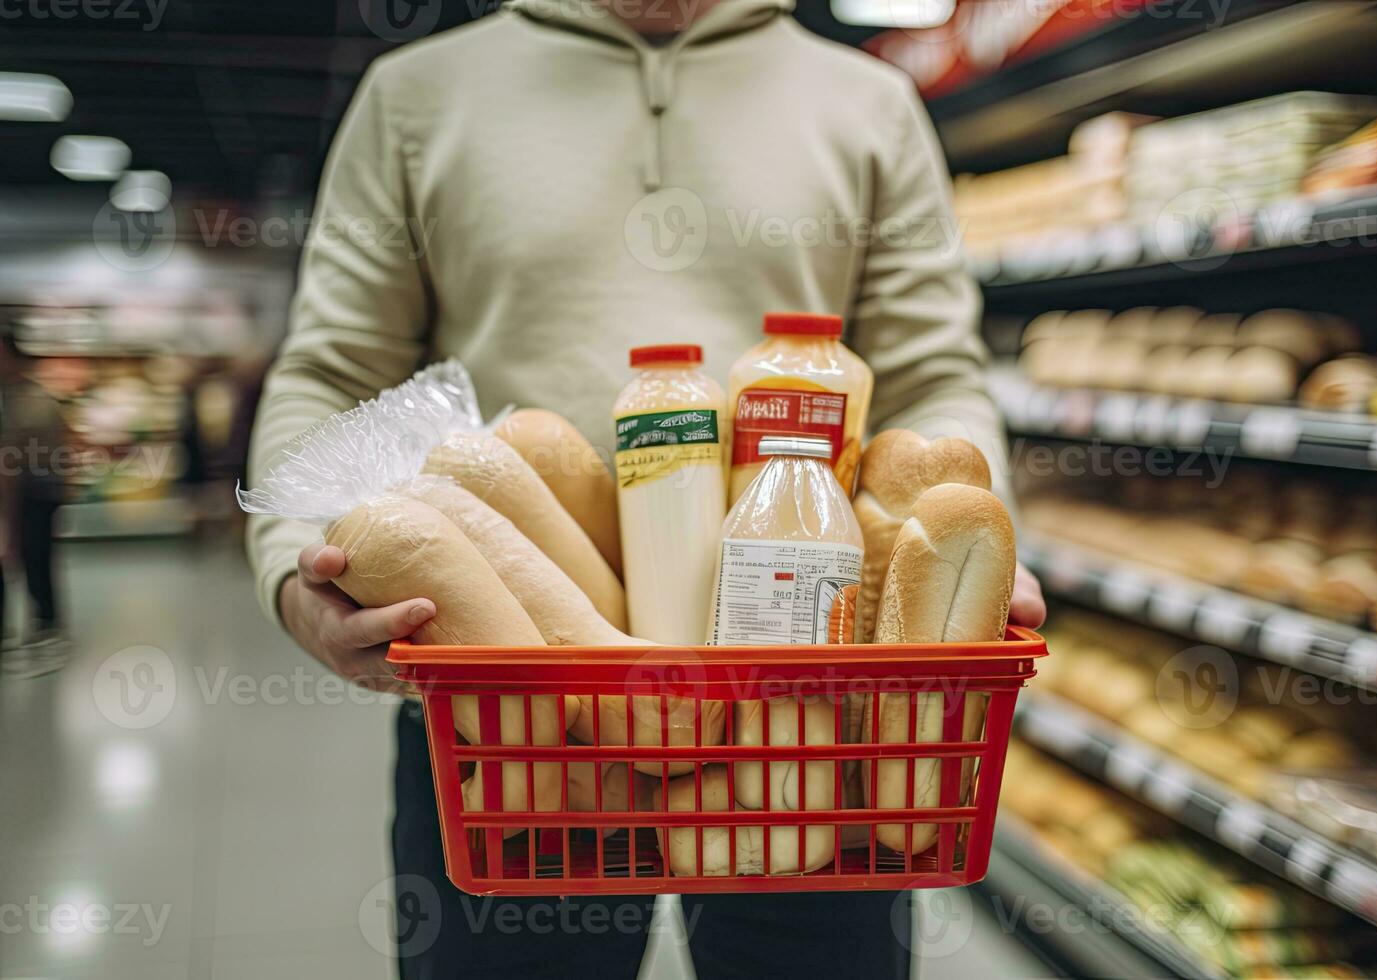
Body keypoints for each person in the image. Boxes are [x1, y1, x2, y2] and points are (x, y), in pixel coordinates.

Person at [245, 1, 1045, 976]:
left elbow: (931, 375)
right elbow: (331, 373)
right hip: (509, 707)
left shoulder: (868, 102)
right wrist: (294, 569)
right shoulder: (417, 96)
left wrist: (980, 527)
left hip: (815, 698)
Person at [0, 330, 68, 664]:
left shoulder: (33, 400)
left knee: (35, 559)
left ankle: (47, 625)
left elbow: (21, 458)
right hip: (23, 492)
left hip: (35, 494)